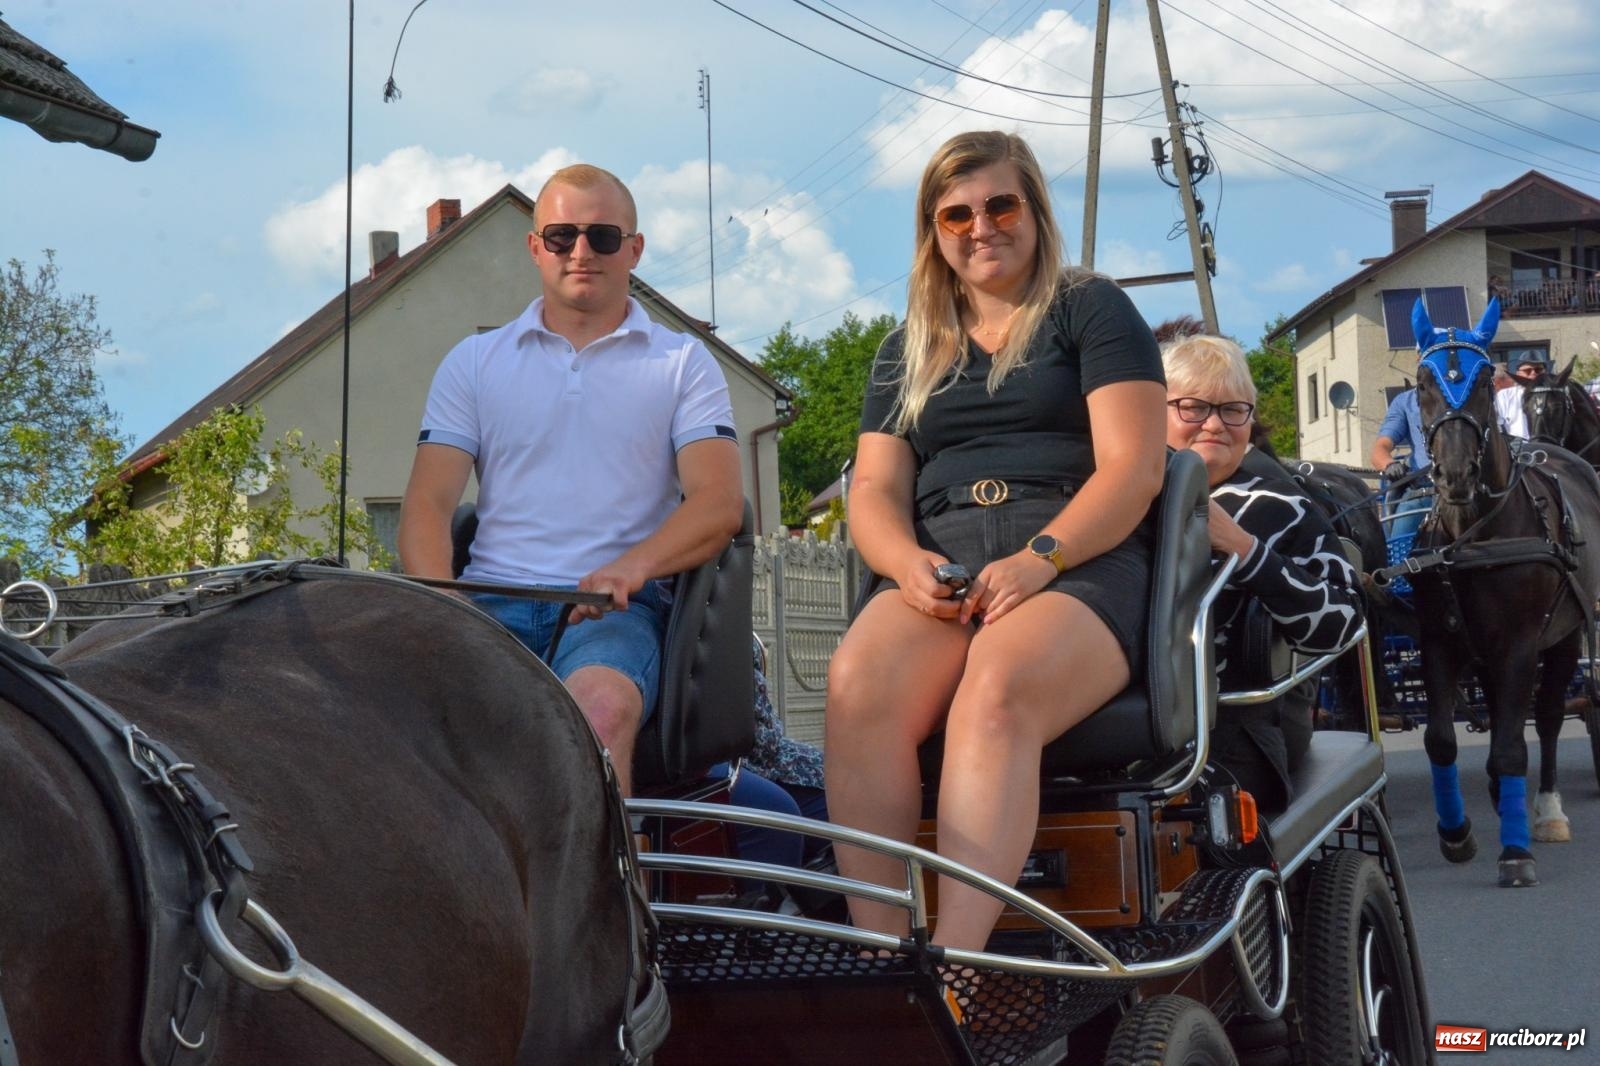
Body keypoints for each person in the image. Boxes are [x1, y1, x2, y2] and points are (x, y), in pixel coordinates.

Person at [824, 130, 1168, 953]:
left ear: (1035, 210)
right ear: (933, 233)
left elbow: (1133, 471)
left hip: (1076, 558)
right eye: (956, 214)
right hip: (942, 561)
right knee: (856, 686)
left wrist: (1042, 556)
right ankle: (885, 964)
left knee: (997, 688)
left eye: (1000, 204)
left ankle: (958, 972)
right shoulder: (904, 348)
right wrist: (906, 565)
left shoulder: (1091, 309)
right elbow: (871, 491)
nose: (981, 227)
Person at [397, 163, 745, 797]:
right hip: (485, 607)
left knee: (599, 716)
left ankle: (609, 899)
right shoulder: (474, 363)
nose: (581, 251)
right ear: (536, 248)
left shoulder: (684, 364)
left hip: (612, 612)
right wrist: (444, 607)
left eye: (603, 237)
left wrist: (631, 569)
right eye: (561, 236)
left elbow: (719, 504)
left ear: (634, 250)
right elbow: (426, 505)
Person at [1163, 336, 1363, 811]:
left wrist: (1245, 551)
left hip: (1239, 722)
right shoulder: (1114, 497)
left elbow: (1345, 624)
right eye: (1191, 407)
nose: (1214, 424)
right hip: (1125, 724)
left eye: (1234, 410)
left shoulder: (1284, 508)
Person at [1370, 377, 1431, 542]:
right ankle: (1398, 560)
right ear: (1420, 358)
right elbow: (1379, 448)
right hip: (1425, 490)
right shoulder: (1406, 401)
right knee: (1399, 543)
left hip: (1471, 485)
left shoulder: (1471, 393)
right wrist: (1389, 464)